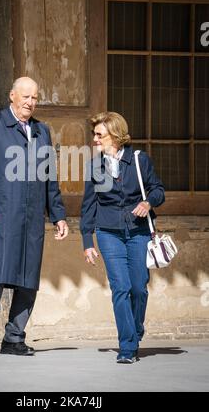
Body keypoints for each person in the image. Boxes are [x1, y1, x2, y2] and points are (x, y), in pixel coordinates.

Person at [0, 76, 68, 357]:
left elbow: (50, 177)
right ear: (12, 96)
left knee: (27, 279)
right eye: (25, 96)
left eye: (34, 97)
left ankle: (14, 337)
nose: (30, 102)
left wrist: (58, 214)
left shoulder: (41, 132)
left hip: (31, 217)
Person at [80, 112, 165, 364]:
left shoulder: (139, 161)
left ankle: (134, 330)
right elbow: (88, 206)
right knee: (121, 288)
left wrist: (148, 203)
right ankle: (127, 346)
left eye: (99, 135)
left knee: (139, 288)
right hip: (108, 234)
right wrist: (87, 242)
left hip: (138, 233)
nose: (94, 139)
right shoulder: (94, 166)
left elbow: (158, 190)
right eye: (94, 134)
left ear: (115, 136)